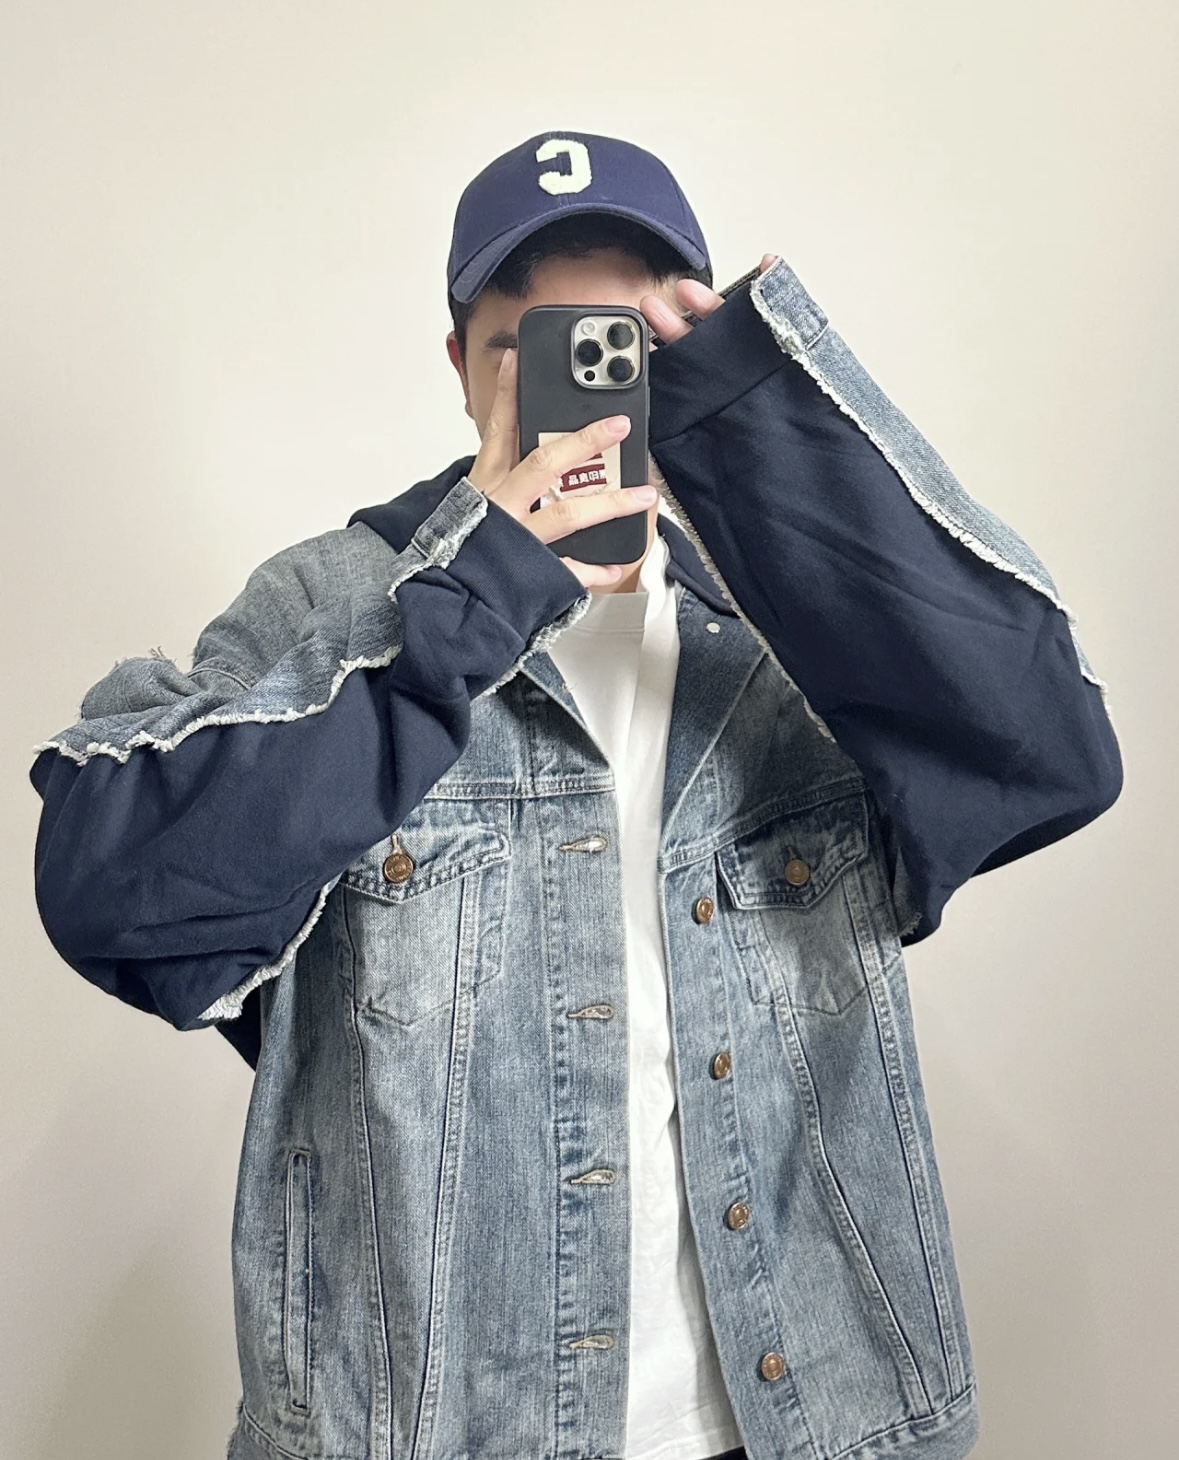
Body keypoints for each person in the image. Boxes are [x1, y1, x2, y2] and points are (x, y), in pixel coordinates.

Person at [29, 130, 1122, 1460]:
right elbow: (116, 892)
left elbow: (1047, 755)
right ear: (459, 368)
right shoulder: (333, 603)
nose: (588, 402)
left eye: (627, 351)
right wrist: (470, 604)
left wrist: (764, 421)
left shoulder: (795, 627)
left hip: (805, 1427)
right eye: (529, 353)